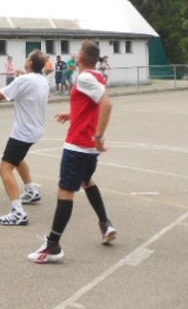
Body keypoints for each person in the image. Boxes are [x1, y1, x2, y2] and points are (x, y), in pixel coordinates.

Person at [28, 40, 116, 264]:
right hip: (87, 148)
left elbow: (106, 105)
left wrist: (98, 136)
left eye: (77, 53)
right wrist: (73, 114)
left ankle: (53, 245)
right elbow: (92, 105)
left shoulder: (85, 77)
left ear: (80, 58)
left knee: (65, 193)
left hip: (78, 146)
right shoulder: (96, 76)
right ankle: (105, 225)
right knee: (87, 181)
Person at [0, 50, 49, 226]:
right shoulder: (42, 80)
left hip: (23, 132)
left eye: (27, 58)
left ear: (30, 63)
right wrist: (21, 77)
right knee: (18, 159)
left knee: (4, 168)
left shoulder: (24, 80)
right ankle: (31, 192)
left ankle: (18, 212)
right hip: (35, 130)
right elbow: (27, 86)